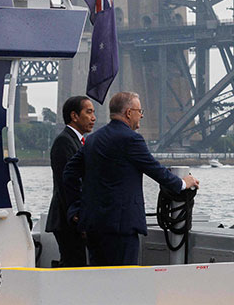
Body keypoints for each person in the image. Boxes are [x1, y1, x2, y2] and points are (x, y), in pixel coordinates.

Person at [63, 91, 198, 266]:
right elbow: (154, 169)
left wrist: (76, 209)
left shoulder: (93, 139)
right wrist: (182, 183)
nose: (141, 116)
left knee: (98, 277)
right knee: (125, 277)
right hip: (122, 229)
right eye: (139, 111)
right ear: (128, 113)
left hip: (94, 226)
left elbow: (69, 173)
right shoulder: (131, 139)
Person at [45, 95, 95, 267]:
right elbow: (67, 183)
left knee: (75, 264)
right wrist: (79, 217)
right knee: (73, 265)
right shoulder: (64, 142)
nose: (93, 118)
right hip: (68, 220)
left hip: (72, 217)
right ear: (74, 116)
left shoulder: (77, 141)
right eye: (89, 112)